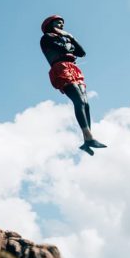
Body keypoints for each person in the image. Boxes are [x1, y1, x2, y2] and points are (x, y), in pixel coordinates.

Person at [40, 15, 107, 155]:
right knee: (78, 100)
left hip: (73, 68)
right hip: (61, 68)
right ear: (50, 24)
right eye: (59, 22)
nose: (62, 25)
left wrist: (71, 36)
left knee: (85, 103)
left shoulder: (66, 37)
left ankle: (88, 138)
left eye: (63, 23)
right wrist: (68, 43)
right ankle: (88, 136)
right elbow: (66, 49)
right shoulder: (47, 38)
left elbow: (81, 52)